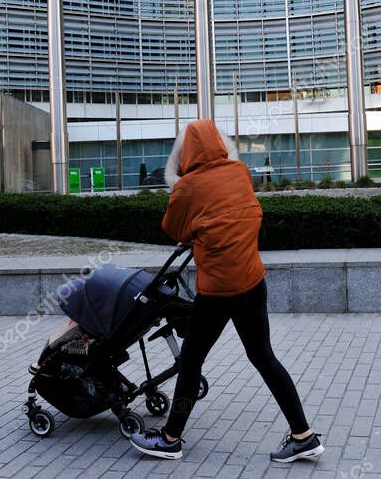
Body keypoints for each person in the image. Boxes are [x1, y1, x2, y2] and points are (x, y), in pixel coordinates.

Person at [129, 119, 324, 463]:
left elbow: (174, 228)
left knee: (191, 361)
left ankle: (170, 439)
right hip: (252, 282)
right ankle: (303, 436)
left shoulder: (188, 187)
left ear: (187, 152)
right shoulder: (240, 172)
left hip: (218, 291)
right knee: (264, 357)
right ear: (220, 144)